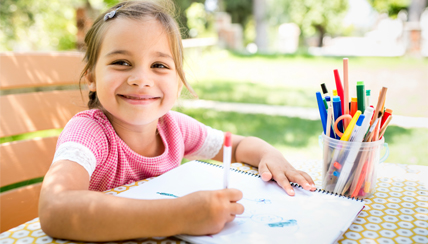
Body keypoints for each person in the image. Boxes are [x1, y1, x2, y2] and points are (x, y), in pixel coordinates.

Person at [39, 0, 316, 241]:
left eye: (159, 65)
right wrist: (179, 216)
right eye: (121, 62)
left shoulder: (176, 128)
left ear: (179, 83)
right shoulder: (88, 132)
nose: (141, 79)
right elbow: (54, 209)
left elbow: (239, 144)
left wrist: (269, 153)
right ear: (92, 78)